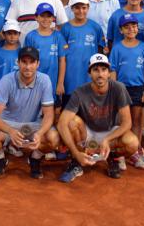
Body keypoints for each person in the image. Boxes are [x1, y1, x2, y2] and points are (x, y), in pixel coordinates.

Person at [0, 46, 60, 179]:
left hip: (33, 125)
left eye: (32, 62)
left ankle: (35, 159)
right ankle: (1, 159)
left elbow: (49, 114)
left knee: (53, 138)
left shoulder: (45, 80)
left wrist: (39, 134)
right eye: (24, 62)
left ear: (38, 64)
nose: (28, 67)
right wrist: (10, 131)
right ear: (18, 63)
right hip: (8, 124)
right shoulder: (6, 80)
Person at [57, 54, 139, 183]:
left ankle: (112, 157)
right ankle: (77, 161)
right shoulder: (80, 92)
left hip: (110, 132)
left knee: (132, 143)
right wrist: (75, 152)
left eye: (103, 70)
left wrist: (107, 139)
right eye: (96, 70)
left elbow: (127, 122)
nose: (100, 74)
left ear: (109, 73)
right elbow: (62, 124)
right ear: (89, 73)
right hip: (87, 134)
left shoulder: (118, 88)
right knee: (72, 123)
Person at [109, 14, 144, 170]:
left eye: (133, 26)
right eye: (126, 27)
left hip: (138, 89)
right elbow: (112, 70)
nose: (131, 29)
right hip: (121, 89)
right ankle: (120, 154)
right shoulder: (117, 48)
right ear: (121, 30)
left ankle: (135, 151)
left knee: (137, 121)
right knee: (122, 122)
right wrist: (114, 90)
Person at [61, 0, 105, 107]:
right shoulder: (65, 28)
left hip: (90, 78)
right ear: (72, 8)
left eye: (84, 7)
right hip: (70, 79)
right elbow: (61, 56)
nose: (80, 11)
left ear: (88, 8)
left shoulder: (95, 27)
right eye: (77, 7)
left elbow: (101, 54)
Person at [23, 3, 67, 107]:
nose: (46, 19)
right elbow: (26, 62)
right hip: (34, 83)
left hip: (53, 82)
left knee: (53, 112)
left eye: (49, 16)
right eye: (42, 16)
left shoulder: (58, 36)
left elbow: (62, 60)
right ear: (36, 17)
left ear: (53, 18)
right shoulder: (31, 36)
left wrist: (60, 83)